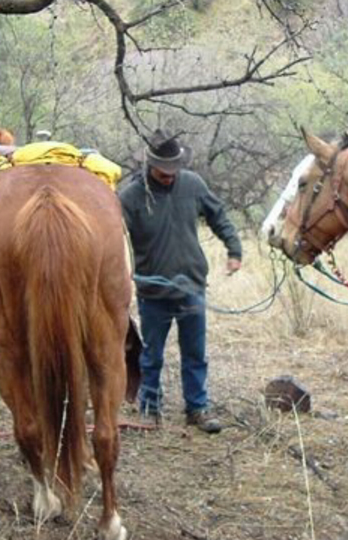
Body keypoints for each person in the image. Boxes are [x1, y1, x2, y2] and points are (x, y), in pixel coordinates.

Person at [118, 129, 242, 434]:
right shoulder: (131, 196)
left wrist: (234, 249)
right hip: (153, 292)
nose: (170, 176)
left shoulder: (193, 184)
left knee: (195, 353)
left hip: (191, 287)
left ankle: (197, 409)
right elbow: (112, 235)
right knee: (151, 355)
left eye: (174, 170)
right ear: (151, 166)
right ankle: (150, 410)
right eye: (164, 171)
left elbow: (219, 216)